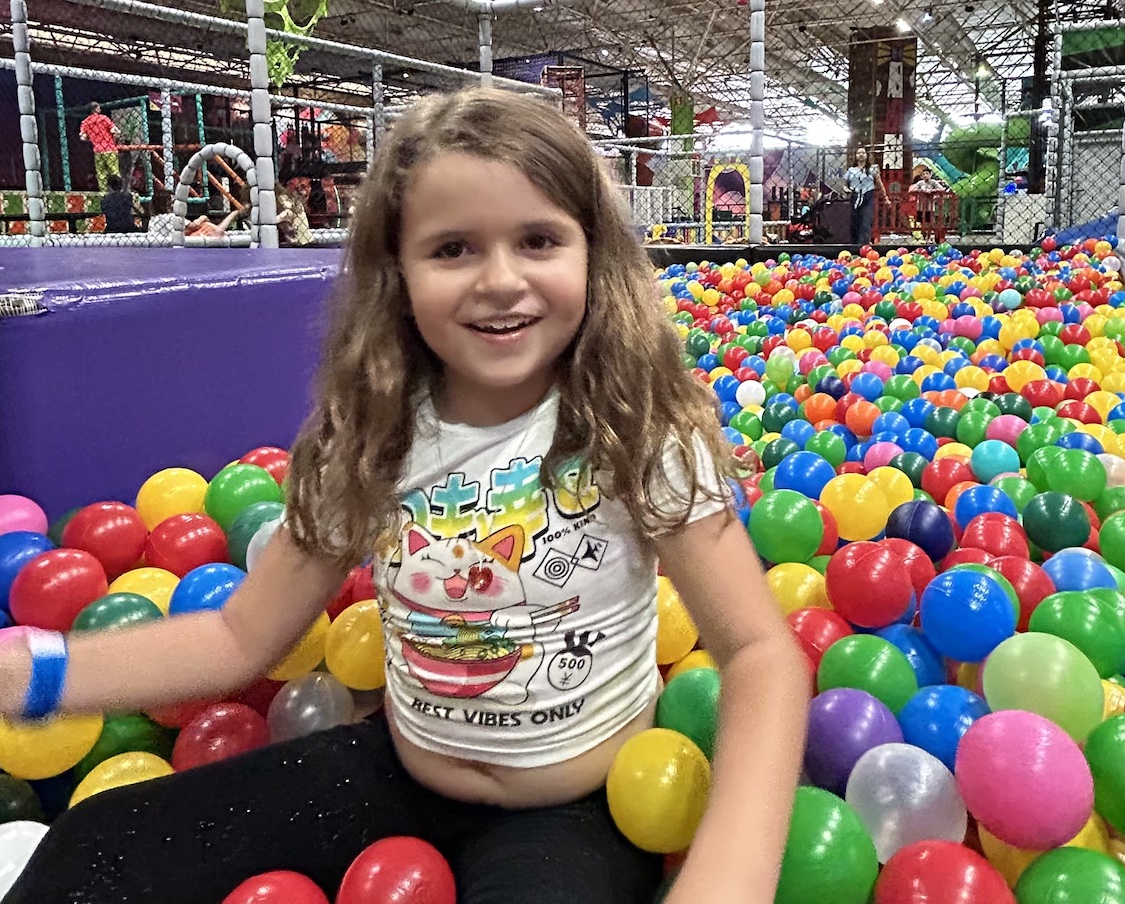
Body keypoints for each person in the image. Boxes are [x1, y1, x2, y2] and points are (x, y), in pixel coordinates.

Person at [0, 88, 810, 904]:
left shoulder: (631, 426)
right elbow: (240, 634)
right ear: (398, 271)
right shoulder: (374, 432)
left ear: (593, 254)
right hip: (397, 768)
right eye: (452, 249)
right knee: (91, 848)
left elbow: (759, 653)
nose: (501, 281)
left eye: (538, 240)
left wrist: (726, 875)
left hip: (576, 806)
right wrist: (39, 674)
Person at [845, 145, 891, 247]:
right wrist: (847, 190)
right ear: (856, 156)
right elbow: (845, 185)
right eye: (859, 153)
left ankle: (863, 245)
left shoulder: (872, 169)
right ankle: (854, 245)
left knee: (866, 221)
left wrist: (885, 197)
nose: (861, 155)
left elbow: (879, 184)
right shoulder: (851, 170)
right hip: (855, 196)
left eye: (863, 153)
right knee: (854, 222)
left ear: (866, 155)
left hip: (868, 196)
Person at [79, 101, 121, 190]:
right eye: (98, 107)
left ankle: (103, 192)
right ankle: (117, 190)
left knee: (101, 174)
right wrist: (116, 138)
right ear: (96, 109)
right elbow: (115, 131)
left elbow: (82, 137)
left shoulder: (85, 122)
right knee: (114, 171)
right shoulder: (103, 118)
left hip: (98, 150)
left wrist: (92, 138)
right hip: (109, 148)